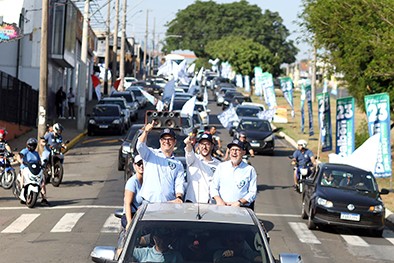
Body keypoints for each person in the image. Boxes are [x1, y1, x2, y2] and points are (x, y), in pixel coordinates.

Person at [136, 122, 185, 203]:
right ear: (160, 141)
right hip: (149, 202)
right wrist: (145, 132)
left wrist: (179, 197)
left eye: (170, 139)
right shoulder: (150, 154)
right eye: (164, 139)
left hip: (168, 204)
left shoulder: (178, 164)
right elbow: (140, 146)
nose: (167, 141)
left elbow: (179, 183)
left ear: (174, 142)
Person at [210, 139, 257, 209]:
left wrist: (239, 202)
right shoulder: (221, 167)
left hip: (241, 208)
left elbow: (252, 192)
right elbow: (213, 186)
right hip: (221, 207)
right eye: (232, 150)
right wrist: (219, 200)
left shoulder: (250, 170)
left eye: (237, 150)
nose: (234, 153)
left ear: (243, 152)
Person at [117, 155, 144, 257]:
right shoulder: (132, 182)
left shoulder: (149, 181)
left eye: (143, 164)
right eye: (139, 164)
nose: (141, 166)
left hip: (144, 216)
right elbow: (127, 203)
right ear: (134, 166)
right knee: (126, 244)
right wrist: (129, 223)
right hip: (132, 216)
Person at [184, 133, 221, 203]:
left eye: (207, 144)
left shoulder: (218, 164)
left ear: (212, 146)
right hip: (193, 203)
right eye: (202, 144)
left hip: (211, 204)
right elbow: (189, 151)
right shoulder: (193, 159)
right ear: (198, 146)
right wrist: (188, 143)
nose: (204, 147)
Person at [16, 138, 49, 205]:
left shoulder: (36, 153)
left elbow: (39, 161)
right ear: (28, 145)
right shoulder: (25, 151)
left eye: (34, 145)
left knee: (42, 181)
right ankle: (22, 189)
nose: (32, 147)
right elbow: (19, 156)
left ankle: (44, 198)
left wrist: (43, 165)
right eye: (31, 145)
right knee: (23, 174)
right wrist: (20, 160)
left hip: (35, 169)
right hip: (25, 168)